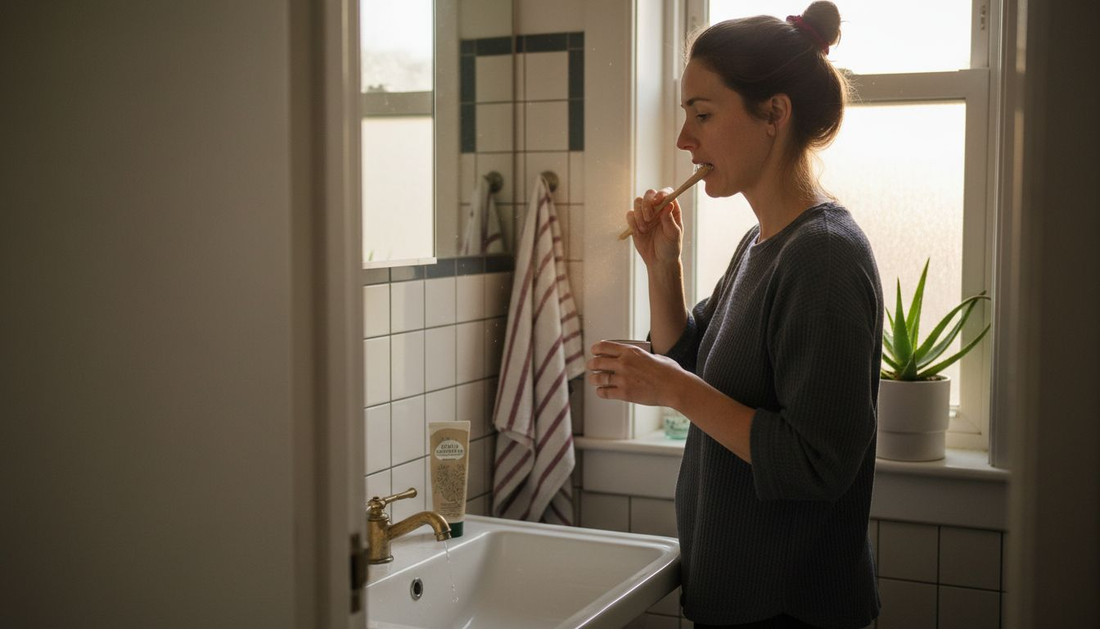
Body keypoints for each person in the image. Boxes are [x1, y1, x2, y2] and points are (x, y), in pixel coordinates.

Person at [586, 3, 882, 628]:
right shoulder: (763, 243)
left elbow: (817, 464)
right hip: (739, 601)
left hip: (789, 611)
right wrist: (662, 265)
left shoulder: (823, 256)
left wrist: (669, 387)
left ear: (774, 114)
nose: (683, 140)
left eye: (703, 114)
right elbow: (692, 362)